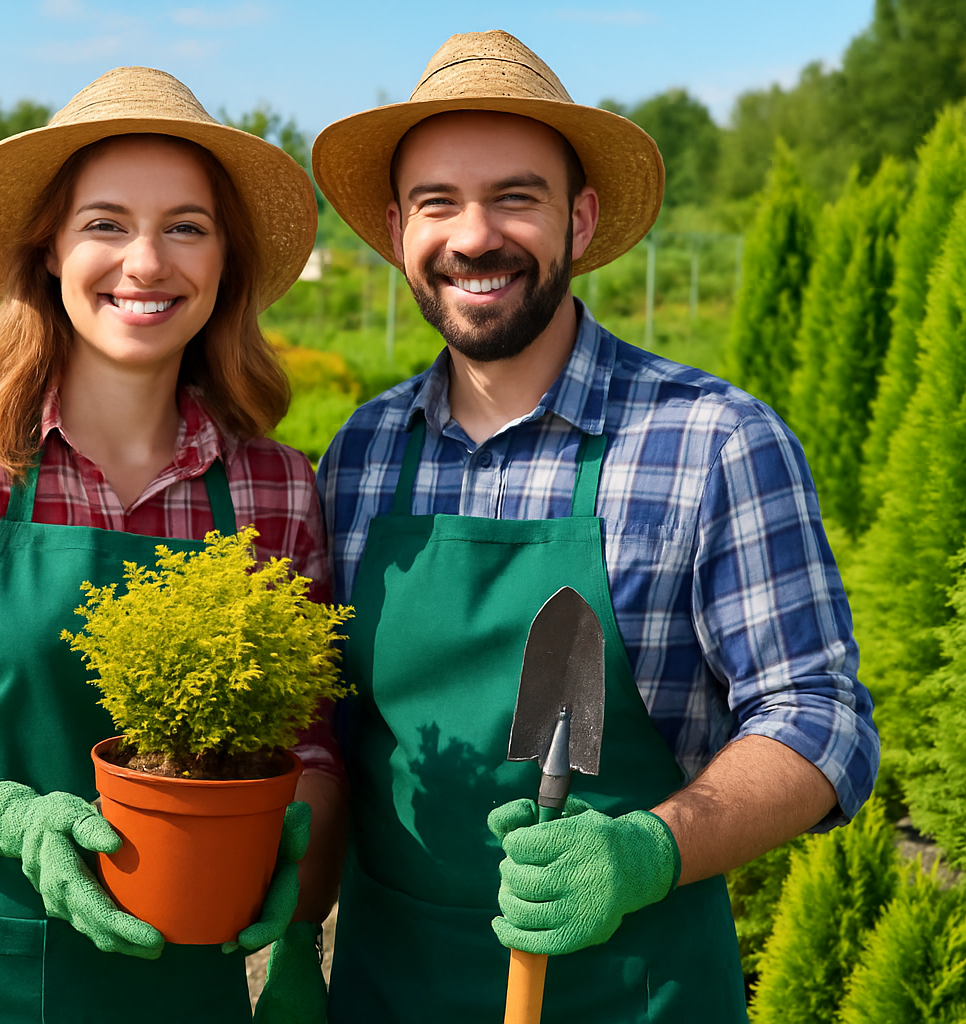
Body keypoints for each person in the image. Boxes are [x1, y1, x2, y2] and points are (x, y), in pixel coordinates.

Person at [304, 30, 880, 1023]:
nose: (473, 236)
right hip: (387, 991)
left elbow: (821, 719)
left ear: (580, 215)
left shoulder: (712, 443)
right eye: (438, 203)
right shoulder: (360, 457)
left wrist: (648, 849)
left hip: (635, 991)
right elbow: (333, 739)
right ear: (398, 227)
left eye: (516, 198)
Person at [0, 66, 346, 1023]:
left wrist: (300, 878)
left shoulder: (272, 489)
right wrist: (7, 816)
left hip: (174, 977)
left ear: (224, 260)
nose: (146, 261)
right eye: (106, 223)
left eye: (186, 226)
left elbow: (312, 745)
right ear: (49, 249)